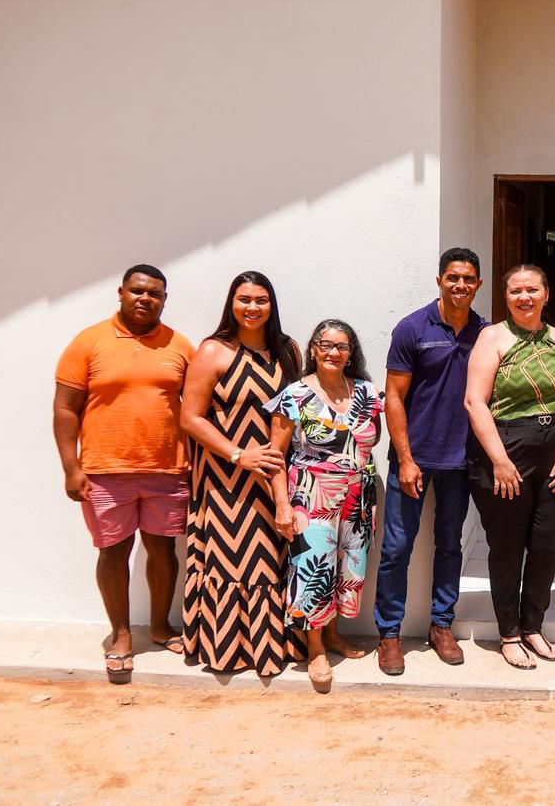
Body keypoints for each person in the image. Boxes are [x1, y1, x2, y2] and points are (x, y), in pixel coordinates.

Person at [52, 264, 195, 681]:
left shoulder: (179, 345)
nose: (144, 299)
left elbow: (197, 405)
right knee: (112, 552)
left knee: (163, 551)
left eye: (154, 294)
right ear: (121, 292)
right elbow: (65, 408)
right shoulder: (89, 341)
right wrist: (70, 468)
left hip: (167, 470)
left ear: (164, 300)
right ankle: (120, 635)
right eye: (137, 291)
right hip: (104, 470)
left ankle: (160, 626)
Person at [180, 270, 304, 677]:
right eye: (244, 299)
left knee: (269, 557)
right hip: (223, 476)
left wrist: (270, 462)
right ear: (231, 303)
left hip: (273, 472)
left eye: (261, 300)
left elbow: (290, 413)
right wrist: (238, 455)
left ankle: (271, 648)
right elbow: (191, 418)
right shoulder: (213, 351)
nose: (252, 308)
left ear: (273, 306)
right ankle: (227, 648)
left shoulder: (288, 351)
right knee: (228, 560)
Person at [465, 265, 555, 670]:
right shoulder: (492, 337)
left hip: (553, 447)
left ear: (546, 293)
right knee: (507, 546)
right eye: (516, 291)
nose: (524, 297)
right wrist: (499, 459)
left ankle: (533, 624)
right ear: (506, 297)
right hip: (505, 448)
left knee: (549, 543)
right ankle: (510, 632)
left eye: (532, 289)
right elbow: (475, 402)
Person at [372, 248, 486, 675]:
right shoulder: (412, 328)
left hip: (461, 460)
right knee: (397, 549)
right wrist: (404, 458)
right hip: (414, 460)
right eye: (453, 277)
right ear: (439, 280)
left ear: (478, 283)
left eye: (468, 278)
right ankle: (389, 635)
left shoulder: (485, 332)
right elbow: (394, 397)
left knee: (449, 545)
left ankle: (441, 626)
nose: (460, 285)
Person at [268, 319, 384, 688]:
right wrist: (282, 506)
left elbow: (372, 441)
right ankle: (314, 647)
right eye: (326, 345)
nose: (334, 352)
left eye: (342, 346)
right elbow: (275, 456)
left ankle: (333, 634)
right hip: (312, 496)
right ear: (314, 349)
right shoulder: (295, 395)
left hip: (358, 498)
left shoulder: (367, 392)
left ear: (351, 353)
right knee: (313, 570)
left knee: (348, 571)